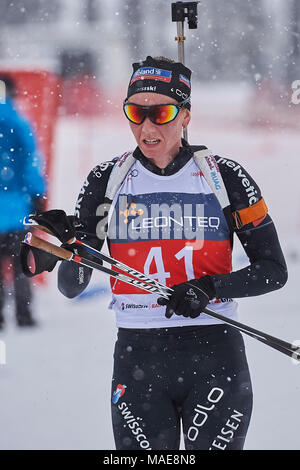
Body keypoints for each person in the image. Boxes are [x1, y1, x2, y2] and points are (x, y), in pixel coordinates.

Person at [22, 56, 288, 450]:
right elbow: (72, 287)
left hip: (215, 355)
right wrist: (66, 251)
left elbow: (272, 270)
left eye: (160, 113)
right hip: (139, 355)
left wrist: (208, 287)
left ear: (185, 115)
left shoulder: (224, 176)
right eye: (135, 112)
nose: (146, 127)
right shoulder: (107, 180)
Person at [0, 74, 46, 328]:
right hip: (17, 208)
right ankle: (23, 315)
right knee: (20, 267)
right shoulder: (18, 122)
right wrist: (37, 195)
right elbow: (31, 161)